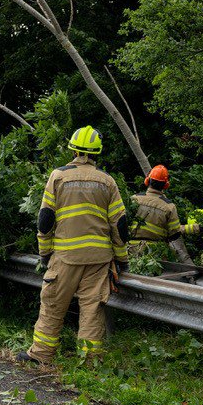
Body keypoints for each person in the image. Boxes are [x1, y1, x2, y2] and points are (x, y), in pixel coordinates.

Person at [19, 125, 128, 366]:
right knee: (92, 310)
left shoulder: (58, 176)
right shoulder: (107, 182)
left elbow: (46, 219)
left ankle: (40, 355)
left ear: (73, 150)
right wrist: (122, 259)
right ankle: (89, 362)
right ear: (98, 153)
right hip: (99, 258)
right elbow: (119, 225)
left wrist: (45, 253)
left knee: (53, 304)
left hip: (66, 255)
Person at [129, 164, 199, 249]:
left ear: (148, 180)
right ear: (166, 185)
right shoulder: (169, 207)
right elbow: (175, 233)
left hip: (131, 249)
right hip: (156, 253)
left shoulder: (133, 199)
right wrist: (197, 227)